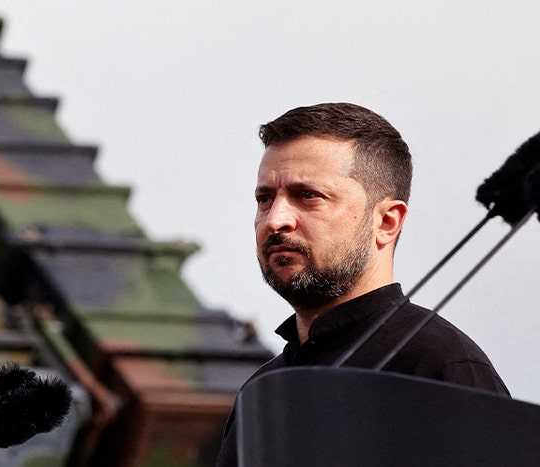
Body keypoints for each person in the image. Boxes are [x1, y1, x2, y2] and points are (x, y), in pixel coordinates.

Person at [215, 102, 508, 466]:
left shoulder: (437, 364)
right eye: (265, 198)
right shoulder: (266, 388)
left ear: (386, 221)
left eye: (308, 195)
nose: (276, 220)